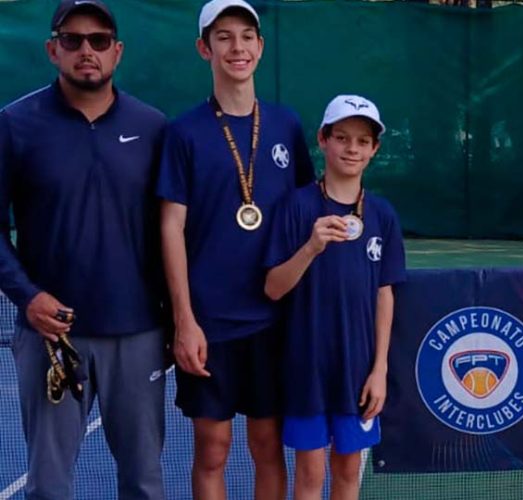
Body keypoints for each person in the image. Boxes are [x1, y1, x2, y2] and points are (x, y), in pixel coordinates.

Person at [0, 1, 168, 498]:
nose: (86, 50)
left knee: (144, 484)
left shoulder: (154, 127)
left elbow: (174, 231)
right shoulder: (14, 124)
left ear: (118, 51)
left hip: (139, 334)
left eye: (99, 40)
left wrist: (181, 319)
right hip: (50, 337)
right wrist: (28, 298)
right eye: (72, 40)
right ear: (53, 50)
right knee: (49, 488)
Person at [157, 1, 315, 498]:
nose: (237, 47)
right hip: (210, 322)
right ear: (204, 48)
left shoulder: (286, 126)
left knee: (268, 445)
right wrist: (184, 321)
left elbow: (307, 214)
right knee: (213, 448)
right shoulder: (183, 133)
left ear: (260, 47)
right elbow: (171, 228)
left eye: (247, 36)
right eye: (223, 37)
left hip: (274, 320)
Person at [264, 94, 406, 500]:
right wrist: (311, 247)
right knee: (309, 476)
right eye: (342, 138)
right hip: (306, 369)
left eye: (362, 141)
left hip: (357, 371)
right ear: (323, 140)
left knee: (348, 472)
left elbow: (384, 294)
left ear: (374, 149)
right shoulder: (296, 207)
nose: (352, 149)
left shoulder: (382, 215)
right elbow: (273, 287)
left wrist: (379, 369)